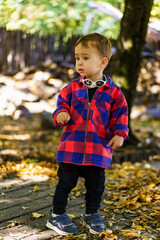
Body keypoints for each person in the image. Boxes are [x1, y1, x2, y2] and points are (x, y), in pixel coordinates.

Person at [46, 33, 129, 236]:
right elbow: (60, 106)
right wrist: (61, 113)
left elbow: (121, 114)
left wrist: (120, 134)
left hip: (98, 148)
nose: (79, 62)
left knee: (96, 185)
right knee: (65, 182)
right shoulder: (71, 89)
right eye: (77, 58)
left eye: (85, 57)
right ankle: (56, 215)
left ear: (102, 62)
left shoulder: (114, 92)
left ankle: (91, 214)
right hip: (71, 147)